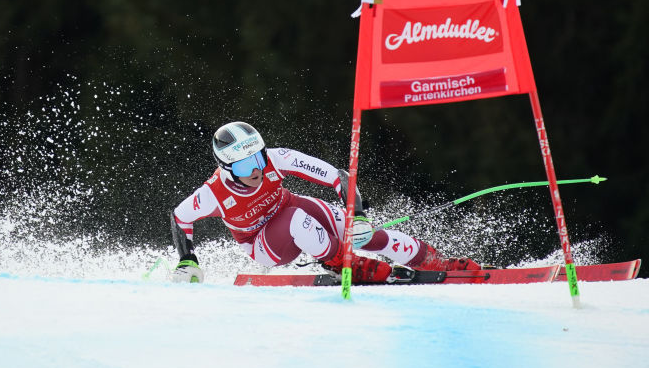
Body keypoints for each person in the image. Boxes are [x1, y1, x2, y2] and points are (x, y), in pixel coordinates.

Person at [169, 121, 481, 284]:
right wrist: (188, 260)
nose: (255, 171)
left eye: (257, 158)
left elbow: (339, 176)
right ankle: (344, 264)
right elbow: (179, 217)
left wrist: (358, 214)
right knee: (295, 218)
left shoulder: (276, 160)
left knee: (362, 232)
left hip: (292, 208)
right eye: (242, 166)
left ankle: (438, 263)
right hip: (263, 244)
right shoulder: (213, 193)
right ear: (226, 168)